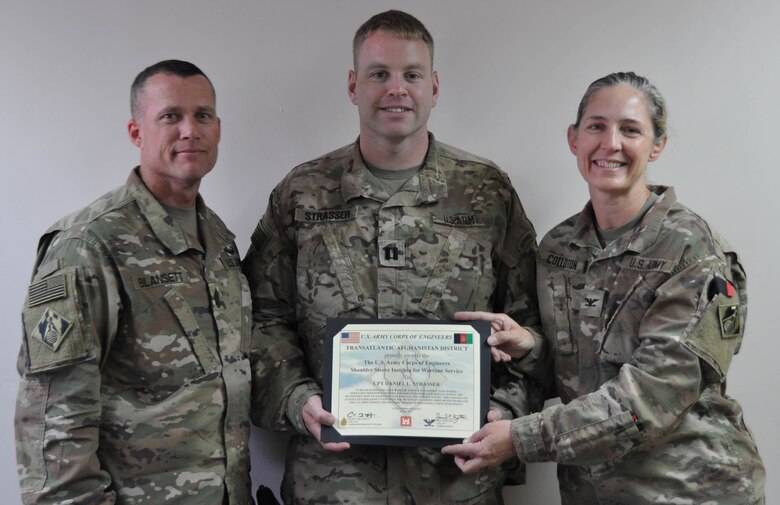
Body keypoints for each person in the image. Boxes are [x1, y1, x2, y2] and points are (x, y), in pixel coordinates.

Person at [243, 10, 546, 505]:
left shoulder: (485, 192)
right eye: (379, 73)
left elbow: (530, 325)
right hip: (333, 482)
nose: (396, 89)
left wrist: (507, 411)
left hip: (456, 481)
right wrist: (298, 400)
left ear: (435, 86)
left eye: (412, 74)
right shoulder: (303, 193)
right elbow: (260, 321)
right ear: (353, 85)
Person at [442, 72, 766, 504]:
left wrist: (520, 438)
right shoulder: (558, 248)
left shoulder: (693, 252)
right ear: (574, 139)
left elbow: (650, 399)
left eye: (630, 130)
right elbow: (580, 366)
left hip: (689, 490)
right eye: (596, 126)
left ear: (657, 145)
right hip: (591, 492)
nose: (610, 143)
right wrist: (529, 346)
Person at [15, 60, 253, 504]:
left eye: (202, 116)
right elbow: (52, 426)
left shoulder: (220, 242)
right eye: (170, 116)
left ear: (218, 129)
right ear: (136, 132)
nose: (189, 130)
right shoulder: (88, 244)